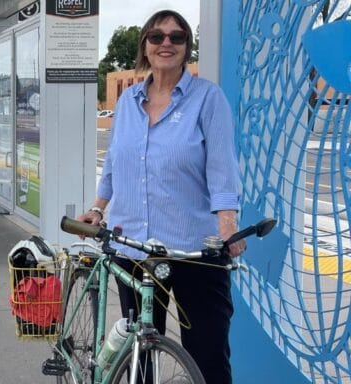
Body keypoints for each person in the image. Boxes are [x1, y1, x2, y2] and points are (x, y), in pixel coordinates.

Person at [76, 9, 246, 384]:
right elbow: (115, 164)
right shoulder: (128, 102)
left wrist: (228, 226)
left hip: (192, 249)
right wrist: (96, 209)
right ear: (145, 47)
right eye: (156, 36)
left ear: (187, 47)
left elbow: (222, 167)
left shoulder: (207, 99)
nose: (166, 43)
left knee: (208, 357)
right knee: (138, 357)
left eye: (176, 37)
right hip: (133, 247)